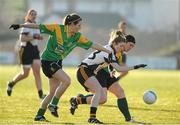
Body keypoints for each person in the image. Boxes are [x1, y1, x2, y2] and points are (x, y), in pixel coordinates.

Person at [10, 13, 112, 121]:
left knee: (51, 93)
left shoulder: (77, 37)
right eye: (78, 25)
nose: (80, 27)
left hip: (57, 63)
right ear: (71, 24)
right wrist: (21, 25)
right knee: (67, 81)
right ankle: (53, 105)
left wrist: (107, 51)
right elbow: (38, 26)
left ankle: (39, 115)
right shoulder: (56, 28)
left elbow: (93, 44)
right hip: (47, 61)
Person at [70, 31, 146, 123]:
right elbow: (116, 65)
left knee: (119, 91)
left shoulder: (119, 52)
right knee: (102, 98)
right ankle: (83, 106)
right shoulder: (111, 50)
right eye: (130, 45)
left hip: (105, 73)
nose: (131, 48)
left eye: (133, 46)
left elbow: (111, 63)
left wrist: (111, 69)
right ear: (124, 42)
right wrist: (135, 67)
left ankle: (129, 119)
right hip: (96, 72)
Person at [7, 9, 46, 99]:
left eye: (35, 14)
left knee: (37, 72)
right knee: (25, 74)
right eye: (31, 14)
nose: (33, 15)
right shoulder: (26, 26)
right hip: (26, 50)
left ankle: (41, 95)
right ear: (28, 15)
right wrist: (34, 37)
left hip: (35, 50)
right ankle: (11, 83)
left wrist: (39, 37)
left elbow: (38, 36)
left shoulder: (36, 25)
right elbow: (22, 39)